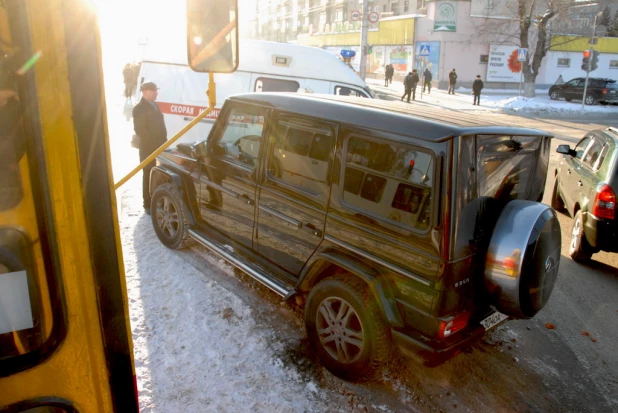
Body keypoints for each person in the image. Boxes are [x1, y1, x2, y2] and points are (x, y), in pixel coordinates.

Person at [132, 82, 167, 214]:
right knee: (148, 174)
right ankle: (147, 204)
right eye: (154, 91)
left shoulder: (155, 105)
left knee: (158, 175)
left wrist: (163, 143)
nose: (156, 93)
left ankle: (156, 200)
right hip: (148, 149)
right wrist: (155, 145)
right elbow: (141, 131)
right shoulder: (139, 108)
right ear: (145, 91)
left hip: (159, 147)